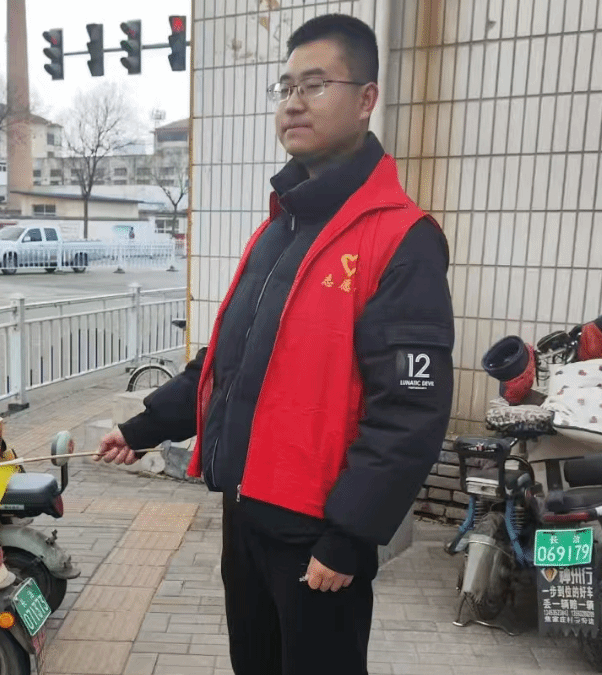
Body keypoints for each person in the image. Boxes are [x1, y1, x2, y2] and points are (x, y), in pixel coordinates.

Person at [96, 13, 454, 675]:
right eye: (285, 87)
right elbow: (227, 364)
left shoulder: (402, 239)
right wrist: (144, 426)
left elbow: (410, 410)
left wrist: (351, 535)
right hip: (245, 511)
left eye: (315, 85)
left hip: (318, 533)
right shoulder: (279, 229)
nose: (293, 102)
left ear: (366, 99)